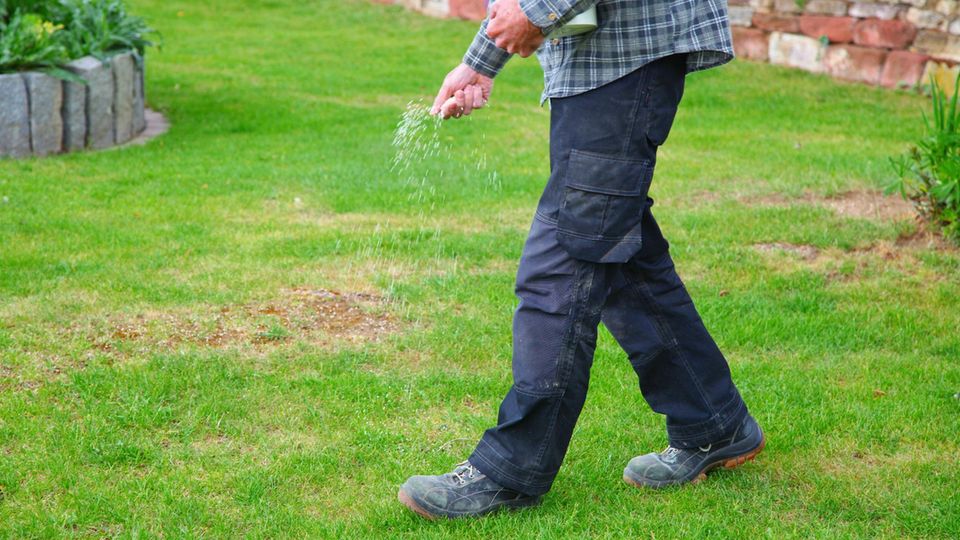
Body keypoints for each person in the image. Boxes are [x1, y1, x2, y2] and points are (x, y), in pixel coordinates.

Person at [398, 0, 765, 519]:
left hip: (625, 55)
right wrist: (481, 60)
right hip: (596, 62)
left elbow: (533, 8)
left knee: (564, 263)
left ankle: (511, 467)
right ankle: (713, 422)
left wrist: (539, 12)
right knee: (619, 253)